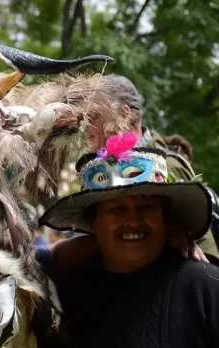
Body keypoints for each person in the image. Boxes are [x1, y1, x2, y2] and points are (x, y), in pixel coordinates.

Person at [37, 132, 219, 348]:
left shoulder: (206, 289)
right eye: (117, 209)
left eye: (147, 207)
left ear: (166, 219)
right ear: (93, 223)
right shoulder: (67, 292)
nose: (133, 219)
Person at [84, 74, 219, 263]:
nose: (84, 126)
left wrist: (174, 226)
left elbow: (205, 255)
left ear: (125, 113)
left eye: (92, 116)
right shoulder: (105, 168)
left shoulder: (166, 165)